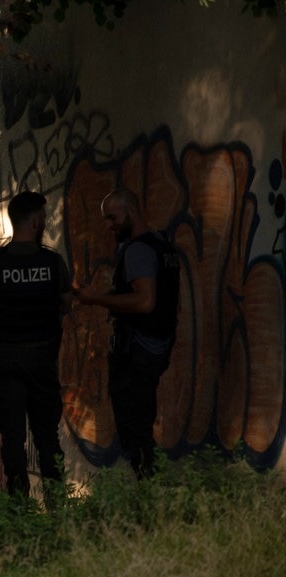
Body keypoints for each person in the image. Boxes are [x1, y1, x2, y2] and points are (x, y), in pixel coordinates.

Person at [0, 190, 73, 496]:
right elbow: (65, 305)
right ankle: (56, 502)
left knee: (12, 438)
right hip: (42, 359)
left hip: (6, 360)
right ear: (38, 221)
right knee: (47, 436)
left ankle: (19, 507)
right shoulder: (53, 263)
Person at [75, 188, 179, 478]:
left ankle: (147, 488)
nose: (109, 225)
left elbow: (145, 301)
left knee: (134, 427)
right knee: (142, 422)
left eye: (113, 217)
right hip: (156, 349)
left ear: (130, 212)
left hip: (137, 354)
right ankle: (148, 486)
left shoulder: (137, 250)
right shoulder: (162, 245)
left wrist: (96, 298)